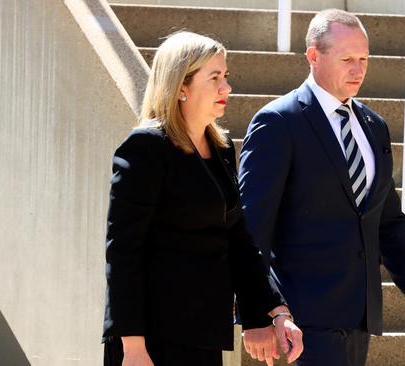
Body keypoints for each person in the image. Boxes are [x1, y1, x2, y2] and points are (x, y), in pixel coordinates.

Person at [238, 9, 405, 366]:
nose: (358, 69)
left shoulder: (374, 126)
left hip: (358, 320)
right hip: (298, 323)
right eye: (347, 59)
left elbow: (387, 221)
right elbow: (250, 227)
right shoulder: (278, 122)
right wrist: (256, 313)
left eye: (364, 59)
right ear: (313, 56)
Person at [102, 31, 303, 366]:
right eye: (214, 78)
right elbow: (123, 253)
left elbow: (238, 241)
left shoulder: (222, 148)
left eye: (225, 77)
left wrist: (274, 312)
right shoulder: (145, 149)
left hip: (203, 336)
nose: (226, 88)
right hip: (152, 340)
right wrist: (133, 348)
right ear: (181, 86)